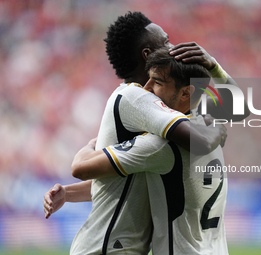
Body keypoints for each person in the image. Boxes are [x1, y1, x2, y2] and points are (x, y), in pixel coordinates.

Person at [43, 11, 249, 255]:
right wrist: (214, 130)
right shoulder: (137, 98)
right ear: (147, 54)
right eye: (165, 41)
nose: (173, 46)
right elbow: (202, 138)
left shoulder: (169, 118)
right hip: (107, 247)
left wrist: (213, 66)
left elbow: (126, 179)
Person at [71, 48, 230, 254]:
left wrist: (93, 143)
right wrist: (214, 66)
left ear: (185, 92)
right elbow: (132, 184)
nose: (146, 88)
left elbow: (81, 168)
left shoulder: (162, 145)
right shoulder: (209, 124)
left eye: (157, 82)